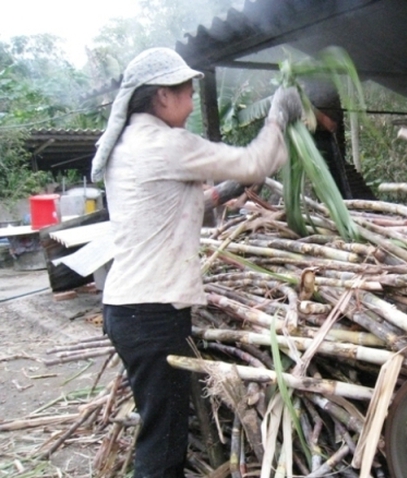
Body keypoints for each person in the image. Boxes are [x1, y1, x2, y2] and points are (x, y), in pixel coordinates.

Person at [91, 47, 302, 478]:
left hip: (126, 309)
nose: (190, 104)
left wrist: (223, 194)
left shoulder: (128, 144)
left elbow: (166, 206)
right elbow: (255, 161)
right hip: (153, 314)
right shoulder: (168, 144)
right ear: (162, 97)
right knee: (164, 439)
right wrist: (278, 117)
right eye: (186, 93)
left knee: (161, 422)